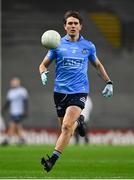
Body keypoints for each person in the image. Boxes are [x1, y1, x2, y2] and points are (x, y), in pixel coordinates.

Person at [39, 10, 113, 172]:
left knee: (66, 127)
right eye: (70, 23)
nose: (73, 26)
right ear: (65, 27)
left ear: (81, 26)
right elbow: (43, 64)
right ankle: (79, 121)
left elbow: (98, 65)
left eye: (75, 23)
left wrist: (108, 81)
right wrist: (43, 72)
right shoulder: (57, 44)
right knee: (66, 130)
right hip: (59, 92)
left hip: (78, 92)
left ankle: (52, 159)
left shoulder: (88, 46)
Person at [1, 77, 29, 145]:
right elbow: (8, 102)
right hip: (13, 111)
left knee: (13, 124)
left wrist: (25, 110)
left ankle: (7, 139)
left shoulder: (22, 91)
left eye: (15, 82)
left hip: (19, 111)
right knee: (17, 126)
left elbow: (25, 102)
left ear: (18, 82)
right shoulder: (10, 92)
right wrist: (3, 110)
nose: (13, 83)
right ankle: (22, 139)